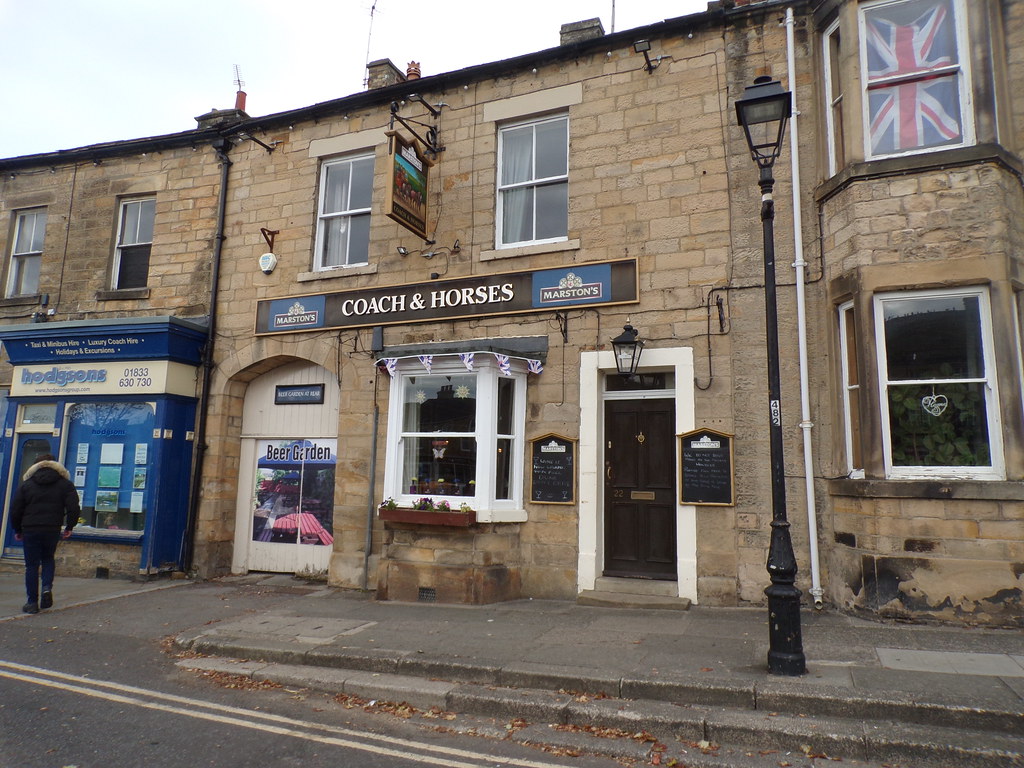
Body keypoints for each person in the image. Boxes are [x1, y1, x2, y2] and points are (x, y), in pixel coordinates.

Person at [11, 453, 80, 614]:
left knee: (31, 565)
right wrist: (70, 526)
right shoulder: (65, 484)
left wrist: (17, 529)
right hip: (52, 528)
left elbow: (16, 509)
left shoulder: (27, 485)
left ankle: (32, 602)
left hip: (30, 528)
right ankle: (47, 588)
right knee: (48, 558)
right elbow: (73, 507)